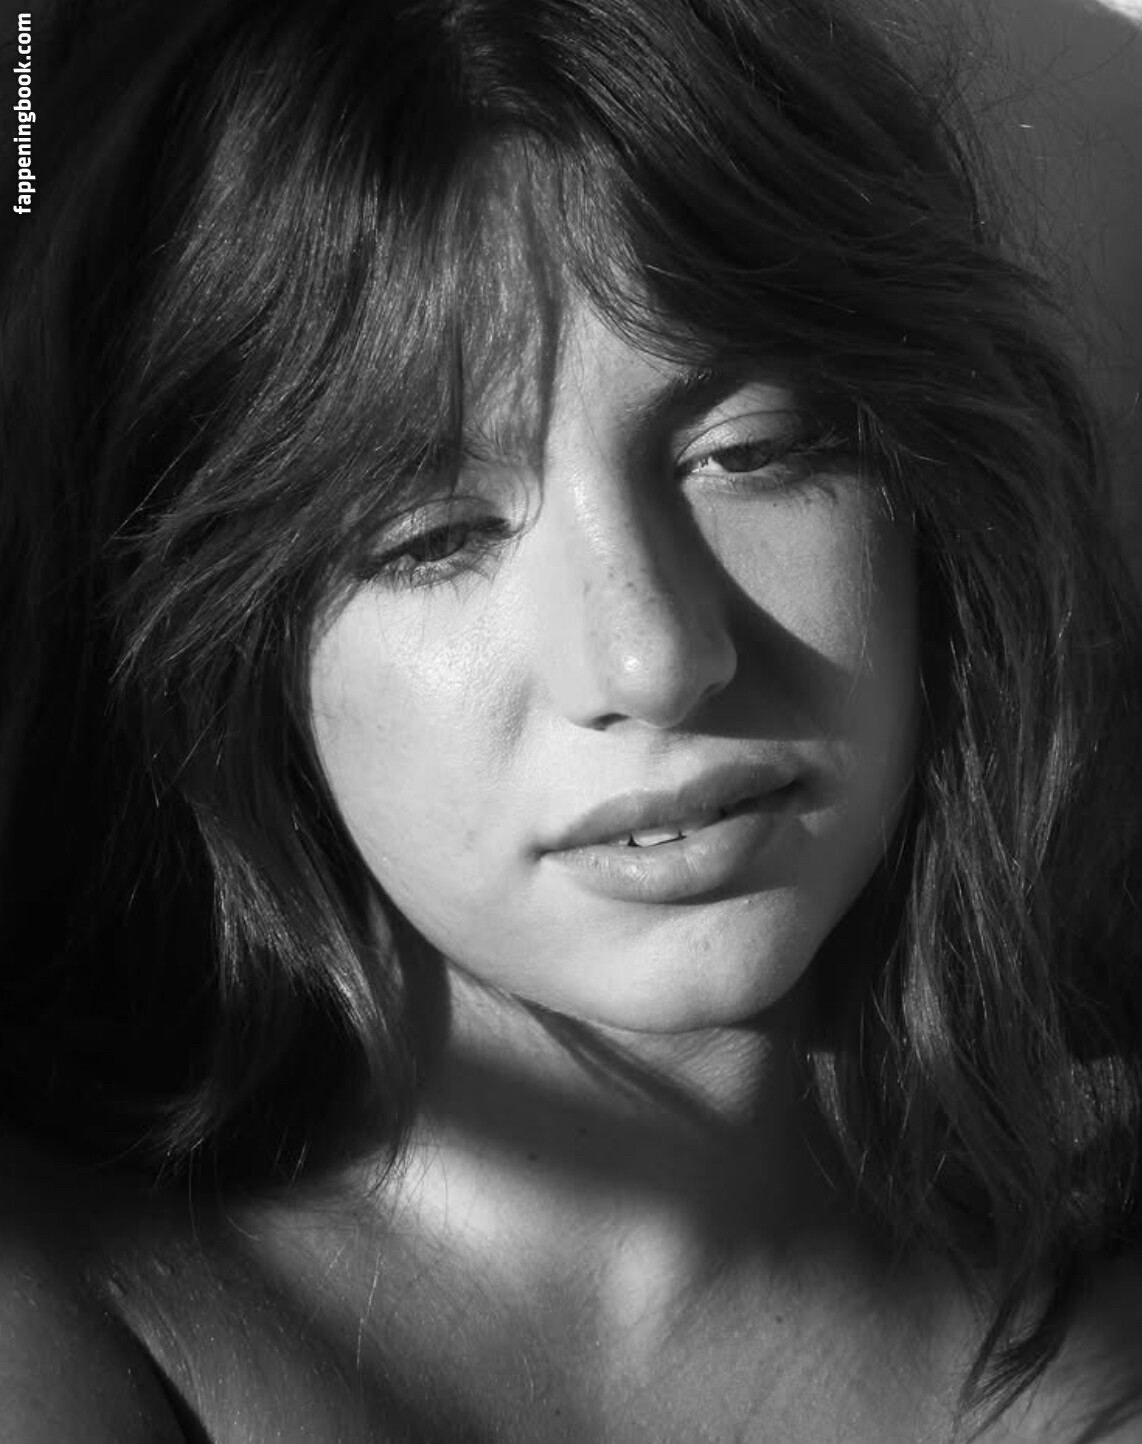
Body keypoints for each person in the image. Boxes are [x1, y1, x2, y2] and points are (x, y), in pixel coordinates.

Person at [1, 0, 1140, 1439]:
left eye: (750, 452)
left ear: (933, 500)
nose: (654, 661)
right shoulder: (62, 1314)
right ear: (228, 656)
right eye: (430, 538)